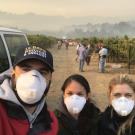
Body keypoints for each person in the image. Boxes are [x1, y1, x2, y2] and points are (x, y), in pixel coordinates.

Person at [0, 45, 58, 135]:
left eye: (42, 72)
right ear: (13, 73)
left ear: (50, 79)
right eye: (26, 69)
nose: (33, 78)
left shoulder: (51, 121)